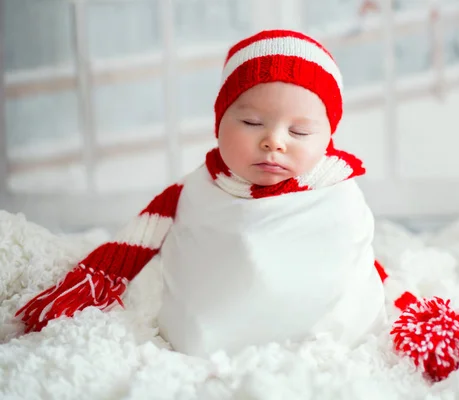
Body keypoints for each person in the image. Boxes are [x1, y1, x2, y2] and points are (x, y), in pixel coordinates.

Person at [15, 29, 387, 357]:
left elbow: (353, 258)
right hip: (207, 328)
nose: (273, 141)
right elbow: (138, 244)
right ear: (219, 122)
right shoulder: (199, 189)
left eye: (300, 132)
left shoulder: (338, 195)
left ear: (327, 138)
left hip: (324, 337)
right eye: (252, 122)